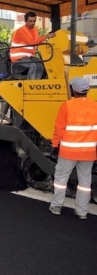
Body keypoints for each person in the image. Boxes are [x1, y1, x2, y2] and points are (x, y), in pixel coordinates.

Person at [49, 77, 97, 220]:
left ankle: (56, 206)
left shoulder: (67, 106)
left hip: (68, 152)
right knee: (84, 183)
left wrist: (54, 145)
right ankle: (82, 212)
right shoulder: (95, 106)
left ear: (73, 90)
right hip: (88, 153)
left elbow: (59, 129)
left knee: (61, 179)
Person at [10, 11, 56, 80]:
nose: (32, 23)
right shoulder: (20, 31)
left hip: (29, 56)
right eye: (30, 21)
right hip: (18, 58)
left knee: (41, 65)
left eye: (34, 21)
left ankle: (36, 85)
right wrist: (46, 36)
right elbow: (31, 43)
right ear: (25, 21)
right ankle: (30, 85)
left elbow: (37, 42)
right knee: (33, 66)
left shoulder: (35, 30)